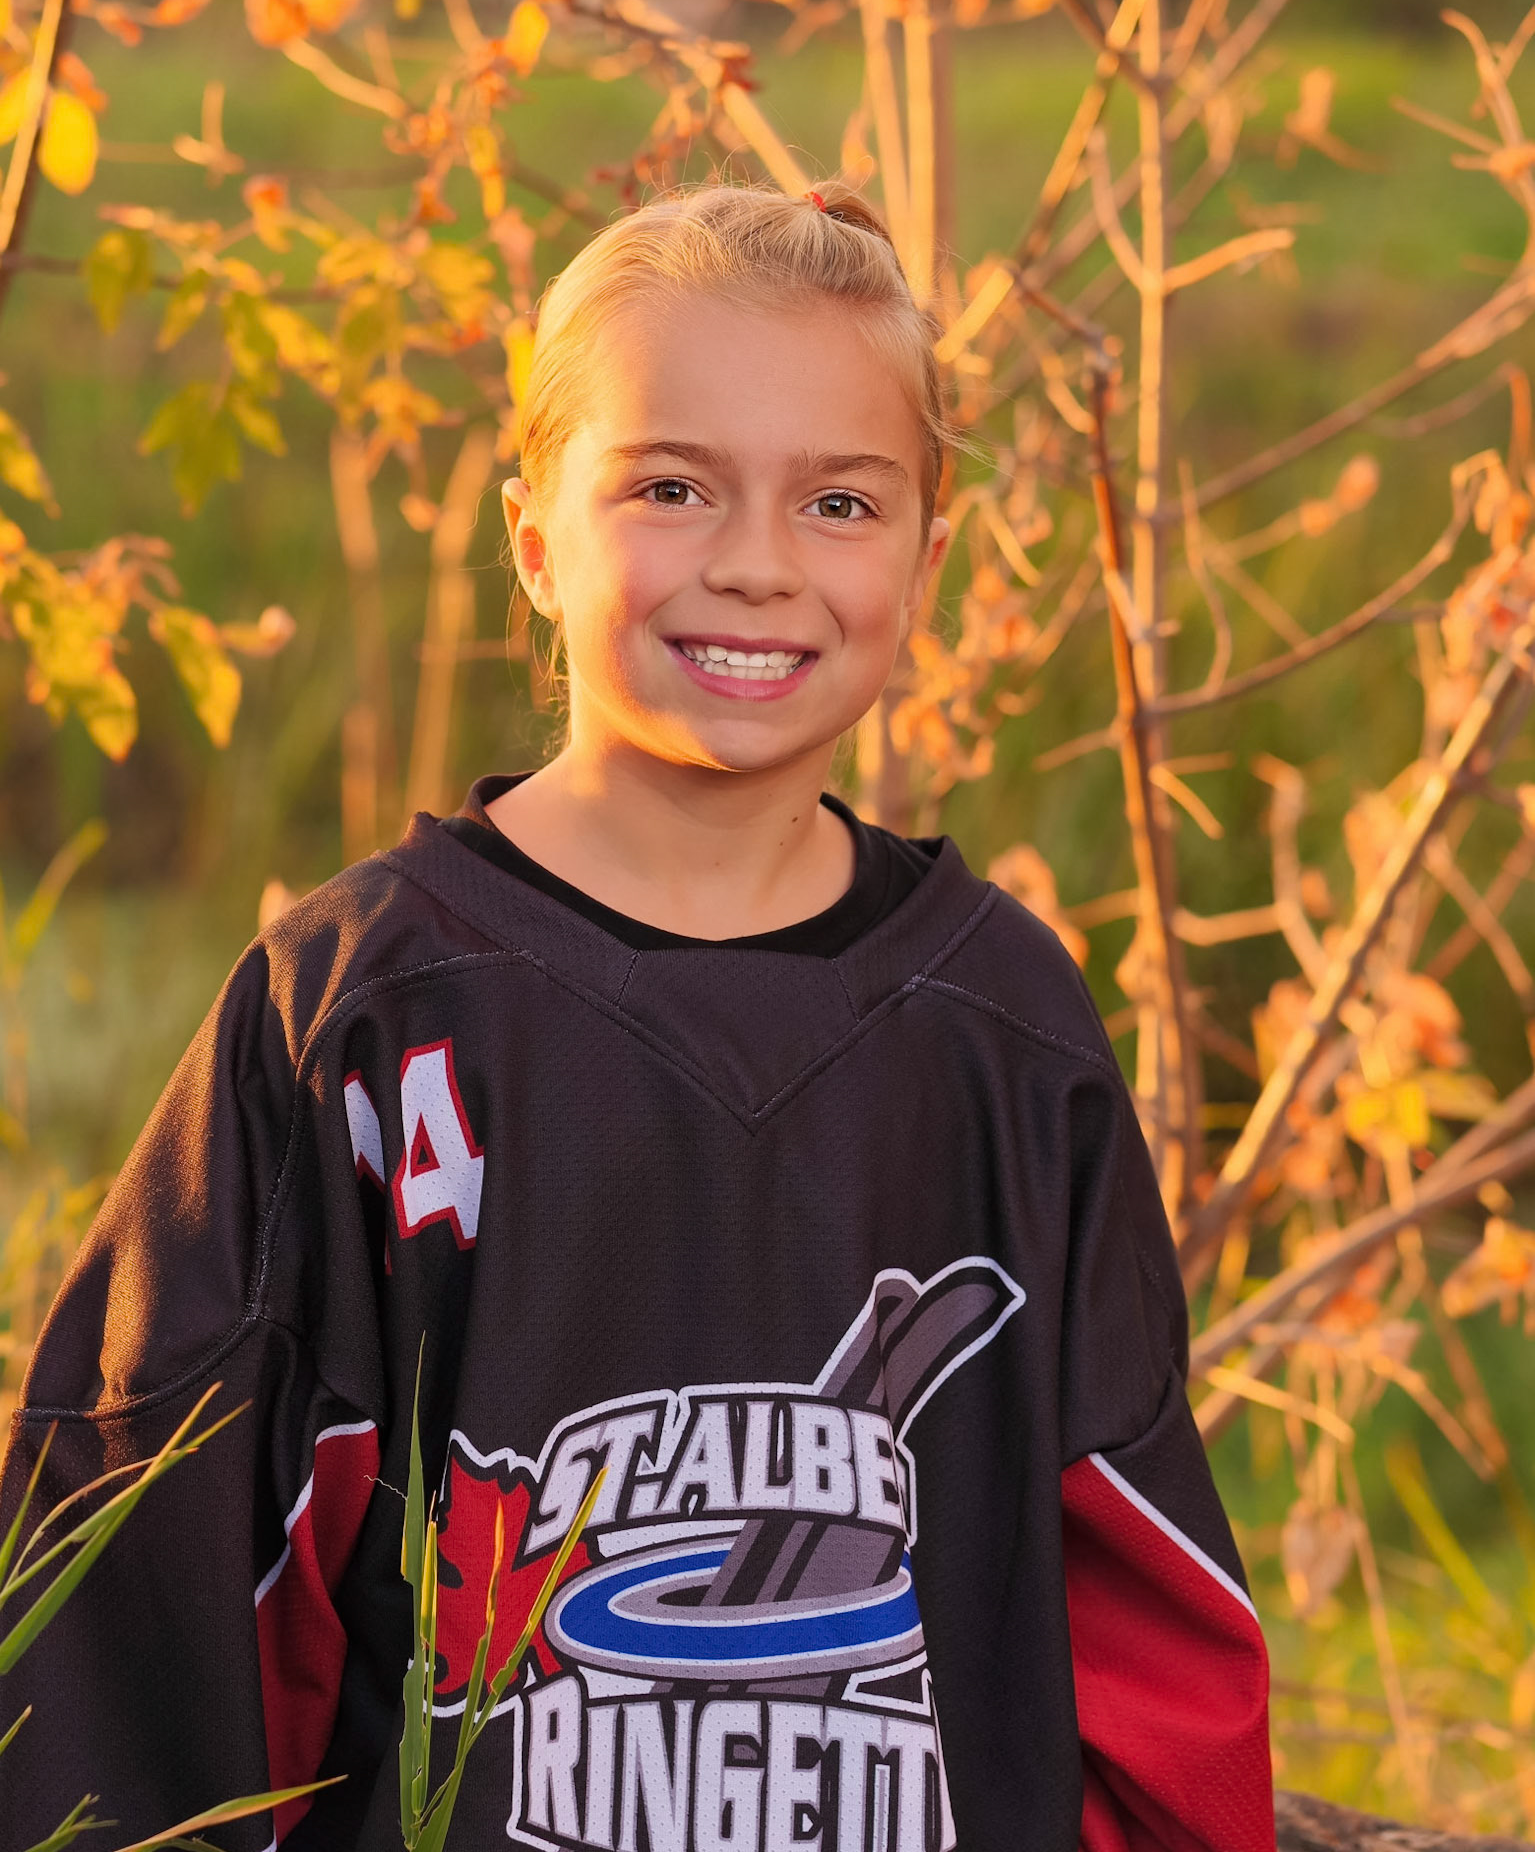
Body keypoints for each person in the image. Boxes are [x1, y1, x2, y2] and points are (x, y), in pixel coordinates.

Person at [0, 184, 1273, 1852]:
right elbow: (133, 1621)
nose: (755, 565)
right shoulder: (357, 1020)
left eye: (839, 502)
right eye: (671, 488)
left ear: (927, 557)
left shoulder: (1004, 1036)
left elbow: (1148, 1628)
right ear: (536, 538)